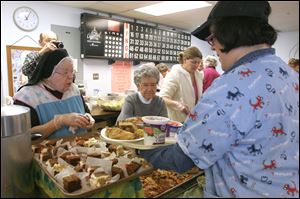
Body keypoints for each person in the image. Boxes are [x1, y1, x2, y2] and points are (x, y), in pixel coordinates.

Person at [139, 1, 299, 197]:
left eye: (212, 38)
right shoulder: (290, 75)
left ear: (228, 33)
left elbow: (181, 160)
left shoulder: (229, 88)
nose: (213, 47)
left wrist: (137, 147)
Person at [14, 48, 94, 139]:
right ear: (48, 73)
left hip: (81, 148)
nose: (70, 77)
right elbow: (25, 137)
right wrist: (59, 121)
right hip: (45, 151)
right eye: (65, 73)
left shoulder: (74, 89)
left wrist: (88, 118)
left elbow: (86, 112)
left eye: (72, 72)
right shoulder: (27, 97)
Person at [159, 46, 203, 123]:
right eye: (193, 62)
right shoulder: (174, 74)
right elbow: (163, 98)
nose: (196, 65)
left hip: (192, 119)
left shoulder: (198, 75)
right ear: (185, 60)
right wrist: (178, 105)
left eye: (198, 62)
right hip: (177, 120)